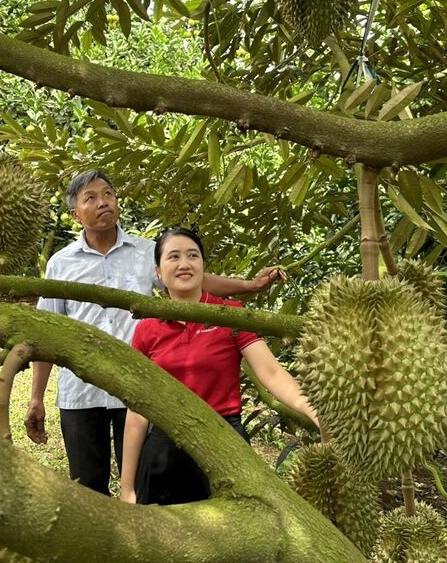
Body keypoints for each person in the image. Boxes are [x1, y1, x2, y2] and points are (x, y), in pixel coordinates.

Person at [24, 170, 285, 496]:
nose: (103, 202)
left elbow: (194, 277)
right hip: (81, 391)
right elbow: (48, 332)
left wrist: (250, 286)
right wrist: (36, 397)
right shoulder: (61, 265)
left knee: (137, 483)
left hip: (138, 389)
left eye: (108, 194)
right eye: (90, 198)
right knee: (87, 488)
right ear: (76, 214)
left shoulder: (147, 252)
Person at [119, 227, 318, 504]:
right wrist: (127, 485)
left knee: (242, 531)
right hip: (166, 446)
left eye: (193, 256)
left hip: (225, 440)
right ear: (158, 272)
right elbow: (138, 410)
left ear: (203, 266)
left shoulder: (230, 315)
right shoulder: (147, 328)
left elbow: (271, 373)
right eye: (173, 257)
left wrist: (314, 410)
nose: (184, 264)